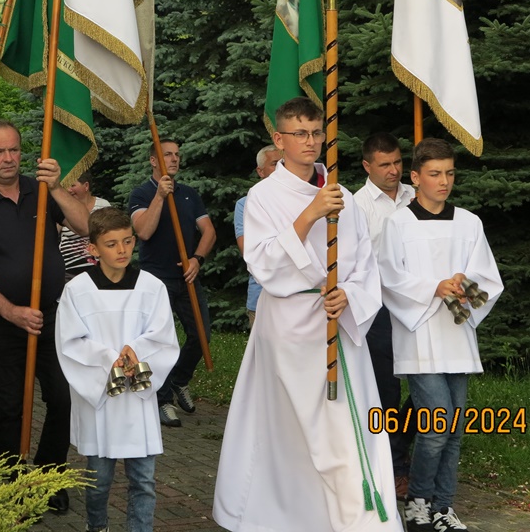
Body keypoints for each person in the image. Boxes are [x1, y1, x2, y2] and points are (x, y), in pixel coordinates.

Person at [213, 97, 401, 532]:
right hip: (287, 327)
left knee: (343, 431)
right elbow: (261, 261)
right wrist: (310, 214)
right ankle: (284, 517)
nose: (310, 141)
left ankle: (357, 518)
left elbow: (365, 263)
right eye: (300, 133)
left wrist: (349, 294)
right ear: (279, 139)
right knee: (291, 431)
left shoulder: (343, 195)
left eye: (316, 133)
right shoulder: (262, 197)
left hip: (336, 323)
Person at [0, 120, 88, 512]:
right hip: (1, 323)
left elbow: (86, 226)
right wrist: (11, 311)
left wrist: (57, 188)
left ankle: (49, 477)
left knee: (62, 398)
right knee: (9, 408)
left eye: (13, 149)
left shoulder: (40, 190)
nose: (8, 158)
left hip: (49, 319)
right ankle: (14, 483)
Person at [380, 138, 503, 532]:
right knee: (436, 427)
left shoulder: (469, 222)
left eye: (449, 173)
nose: (444, 181)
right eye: (435, 174)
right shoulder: (398, 223)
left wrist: (464, 285)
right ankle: (418, 504)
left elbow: (487, 278)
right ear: (416, 177)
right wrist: (434, 287)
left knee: (453, 430)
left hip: (457, 333)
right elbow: (388, 278)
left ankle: (443, 508)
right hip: (419, 336)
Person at [56, 206, 180, 532]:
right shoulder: (77, 290)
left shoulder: (151, 287)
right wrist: (109, 359)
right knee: (98, 483)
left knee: (144, 481)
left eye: (127, 241)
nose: (122, 250)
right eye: (111, 244)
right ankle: (97, 527)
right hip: (101, 400)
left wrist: (136, 352)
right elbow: (69, 342)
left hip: (138, 399)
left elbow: (164, 336)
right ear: (93, 249)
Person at [128, 140, 216, 427]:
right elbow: (143, 231)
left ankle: (179, 379)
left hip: (187, 277)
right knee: (161, 341)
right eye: (167, 155)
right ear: (154, 161)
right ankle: (163, 400)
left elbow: (209, 232)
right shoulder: (141, 194)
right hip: (156, 279)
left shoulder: (189, 194)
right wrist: (159, 196)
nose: (175, 159)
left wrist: (197, 259)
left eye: (177, 154)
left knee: (201, 334)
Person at [354, 132, 418, 499]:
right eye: (384, 165)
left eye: (397, 162)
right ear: (367, 166)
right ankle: (394, 467)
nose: (393, 170)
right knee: (387, 391)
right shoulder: (358, 206)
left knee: (427, 380)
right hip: (378, 308)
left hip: (419, 302)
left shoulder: (415, 195)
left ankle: (401, 444)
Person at [234, 144, 283, 328]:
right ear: (260, 171)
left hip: (299, 298)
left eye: (284, 163)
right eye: (275, 164)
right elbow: (248, 250)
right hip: (261, 296)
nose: (281, 168)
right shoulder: (245, 204)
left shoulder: (302, 199)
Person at [58, 171, 111, 281]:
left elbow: (111, 236)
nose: (68, 190)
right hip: (69, 271)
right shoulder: (63, 208)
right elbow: (50, 234)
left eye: (72, 185)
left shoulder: (103, 206)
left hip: (100, 269)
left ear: (86, 186)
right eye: (65, 186)